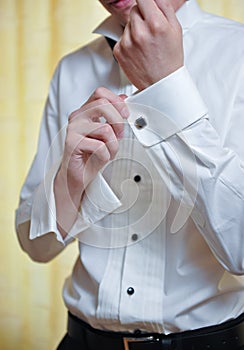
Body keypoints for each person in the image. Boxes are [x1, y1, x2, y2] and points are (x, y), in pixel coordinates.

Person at [15, 0, 244, 349]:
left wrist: (166, 88)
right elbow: (35, 245)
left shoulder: (238, 53)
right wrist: (72, 181)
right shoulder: (72, 69)